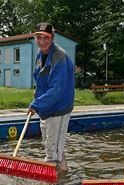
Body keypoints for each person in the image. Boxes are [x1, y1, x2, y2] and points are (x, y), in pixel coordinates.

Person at [28, 22, 75, 172]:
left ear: (52, 38)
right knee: (54, 146)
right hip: (46, 107)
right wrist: (37, 102)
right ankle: (65, 175)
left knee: (51, 152)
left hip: (59, 108)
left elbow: (57, 89)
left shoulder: (59, 56)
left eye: (46, 38)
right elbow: (40, 82)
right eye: (38, 38)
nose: (42, 42)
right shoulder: (40, 54)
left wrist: (36, 105)